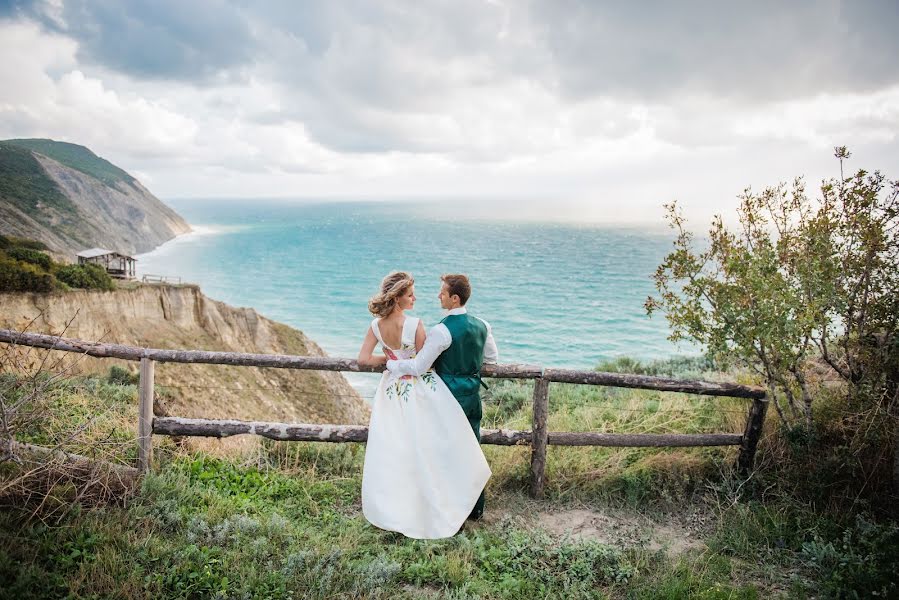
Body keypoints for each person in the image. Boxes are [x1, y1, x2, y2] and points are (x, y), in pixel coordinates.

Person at [358, 271, 491, 539]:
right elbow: (426, 365)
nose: (415, 298)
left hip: (392, 391)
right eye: (410, 294)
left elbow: (363, 360)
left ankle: (396, 503)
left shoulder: (375, 327)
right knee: (428, 447)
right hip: (420, 391)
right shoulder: (416, 324)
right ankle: (438, 501)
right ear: (397, 299)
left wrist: (387, 362)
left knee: (397, 447)